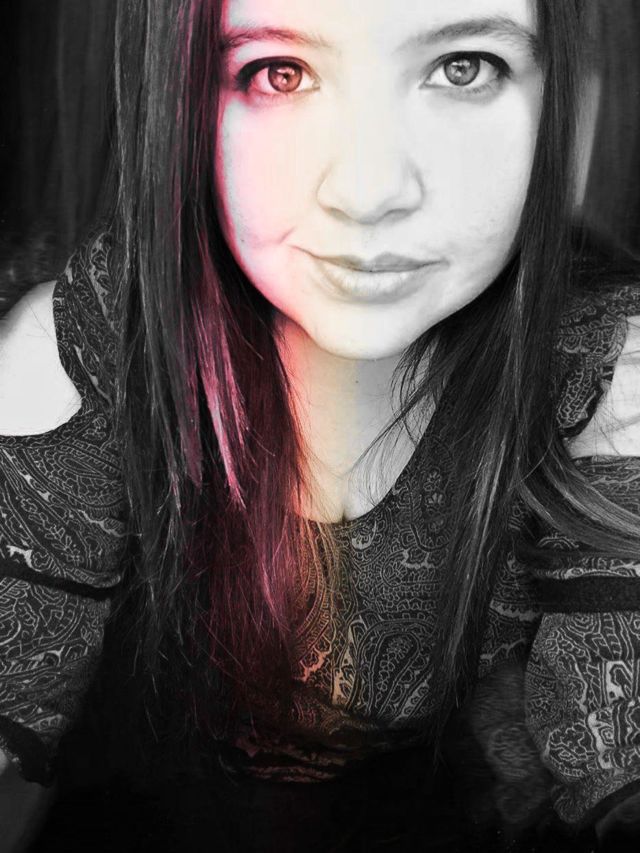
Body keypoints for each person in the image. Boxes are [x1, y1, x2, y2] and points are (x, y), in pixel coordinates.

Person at [1, 0, 640, 850]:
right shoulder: (85, 349)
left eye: (464, 67)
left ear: (567, 98)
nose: (367, 191)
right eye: (281, 73)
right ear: (184, 100)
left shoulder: (608, 371)